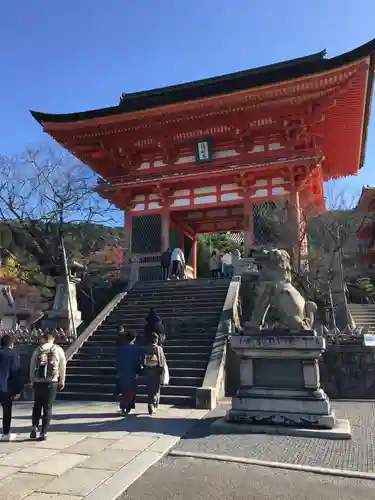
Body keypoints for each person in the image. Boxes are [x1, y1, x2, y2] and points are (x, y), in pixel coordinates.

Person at [29, 332, 66, 441]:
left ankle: (34, 427)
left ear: (43, 339)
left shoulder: (38, 350)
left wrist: (32, 380)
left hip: (38, 382)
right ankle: (43, 432)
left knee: (37, 405)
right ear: (52, 339)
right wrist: (62, 380)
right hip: (52, 382)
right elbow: (62, 366)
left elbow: (32, 366)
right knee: (47, 407)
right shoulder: (58, 349)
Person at [0, 334, 22, 441]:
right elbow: (15, 373)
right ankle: (5, 433)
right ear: (11, 343)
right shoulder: (14, 354)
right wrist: (17, 390)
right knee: (7, 411)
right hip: (7, 388)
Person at [116, 331, 143, 414]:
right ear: (134, 339)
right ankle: (128, 407)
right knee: (131, 390)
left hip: (124, 371)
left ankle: (124, 407)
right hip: (133, 371)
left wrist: (118, 370)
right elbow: (139, 361)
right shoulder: (137, 348)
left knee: (124, 390)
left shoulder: (121, 348)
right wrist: (139, 371)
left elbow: (118, 361)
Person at [143, 332, 166, 416]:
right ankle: (152, 404)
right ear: (156, 339)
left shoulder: (146, 348)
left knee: (149, 388)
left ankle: (150, 403)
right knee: (156, 388)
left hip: (148, 370)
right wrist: (162, 370)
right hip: (156, 370)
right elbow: (161, 361)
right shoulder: (159, 348)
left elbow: (143, 360)